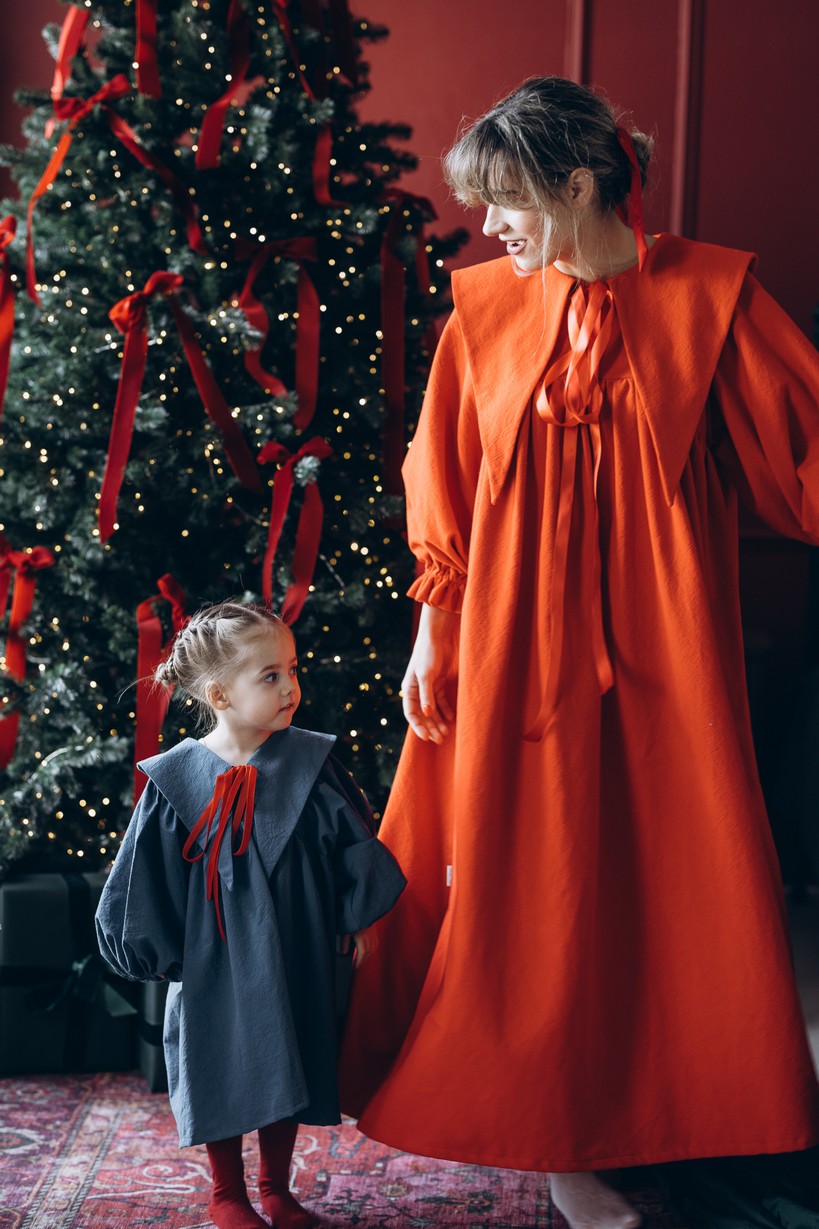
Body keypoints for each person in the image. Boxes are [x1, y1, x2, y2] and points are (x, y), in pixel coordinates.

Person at [339, 76, 819, 1229]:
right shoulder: (481, 313)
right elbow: (442, 479)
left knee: (675, 878)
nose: (487, 225)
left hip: (670, 643)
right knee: (529, 877)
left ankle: (680, 1118)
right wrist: (432, 630)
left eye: (505, 200)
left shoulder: (714, 295)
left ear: (581, 183)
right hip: (512, 639)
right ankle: (557, 1145)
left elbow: (804, 449)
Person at [96, 602, 406, 1229]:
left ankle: (275, 1189)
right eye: (270, 675)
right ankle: (227, 1194)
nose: (291, 687)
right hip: (212, 957)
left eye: (293, 670)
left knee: (289, 1050)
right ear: (219, 695)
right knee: (216, 1059)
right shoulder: (175, 780)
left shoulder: (310, 766)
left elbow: (350, 845)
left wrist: (358, 915)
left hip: (295, 942)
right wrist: (160, 952)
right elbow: (145, 876)